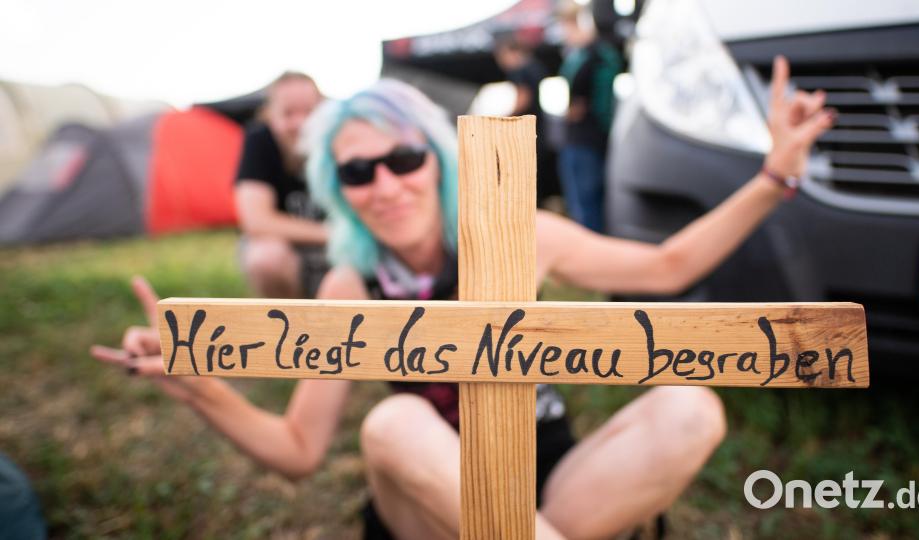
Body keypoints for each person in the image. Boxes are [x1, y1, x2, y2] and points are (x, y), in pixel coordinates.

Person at [91, 57, 833, 539]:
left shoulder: (519, 237)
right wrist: (198, 388)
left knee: (690, 405)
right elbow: (297, 453)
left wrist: (774, 177)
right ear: (337, 194)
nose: (384, 186)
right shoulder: (353, 285)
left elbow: (670, 267)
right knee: (394, 419)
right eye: (357, 174)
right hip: (430, 504)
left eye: (403, 158)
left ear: (436, 161)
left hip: (550, 490)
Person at [235, 71, 328, 298]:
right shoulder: (259, 141)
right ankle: (290, 328)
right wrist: (333, 235)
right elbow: (255, 221)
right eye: (288, 113)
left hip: (337, 254)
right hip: (295, 250)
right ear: (269, 115)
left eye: (309, 111)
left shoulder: (339, 139)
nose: (300, 123)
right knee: (266, 258)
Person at [556, 1, 623, 233]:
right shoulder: (589, 54)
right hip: (586, 139)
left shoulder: (594, 55)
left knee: (586, 207)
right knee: (586, 204)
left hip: (586, 140)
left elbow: (583, 101)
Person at [493, 32, 560, 206]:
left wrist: (503, 119)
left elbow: (523, 98)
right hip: (540, 132)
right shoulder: (536, 67)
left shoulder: (520, 71)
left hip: (526, 136)